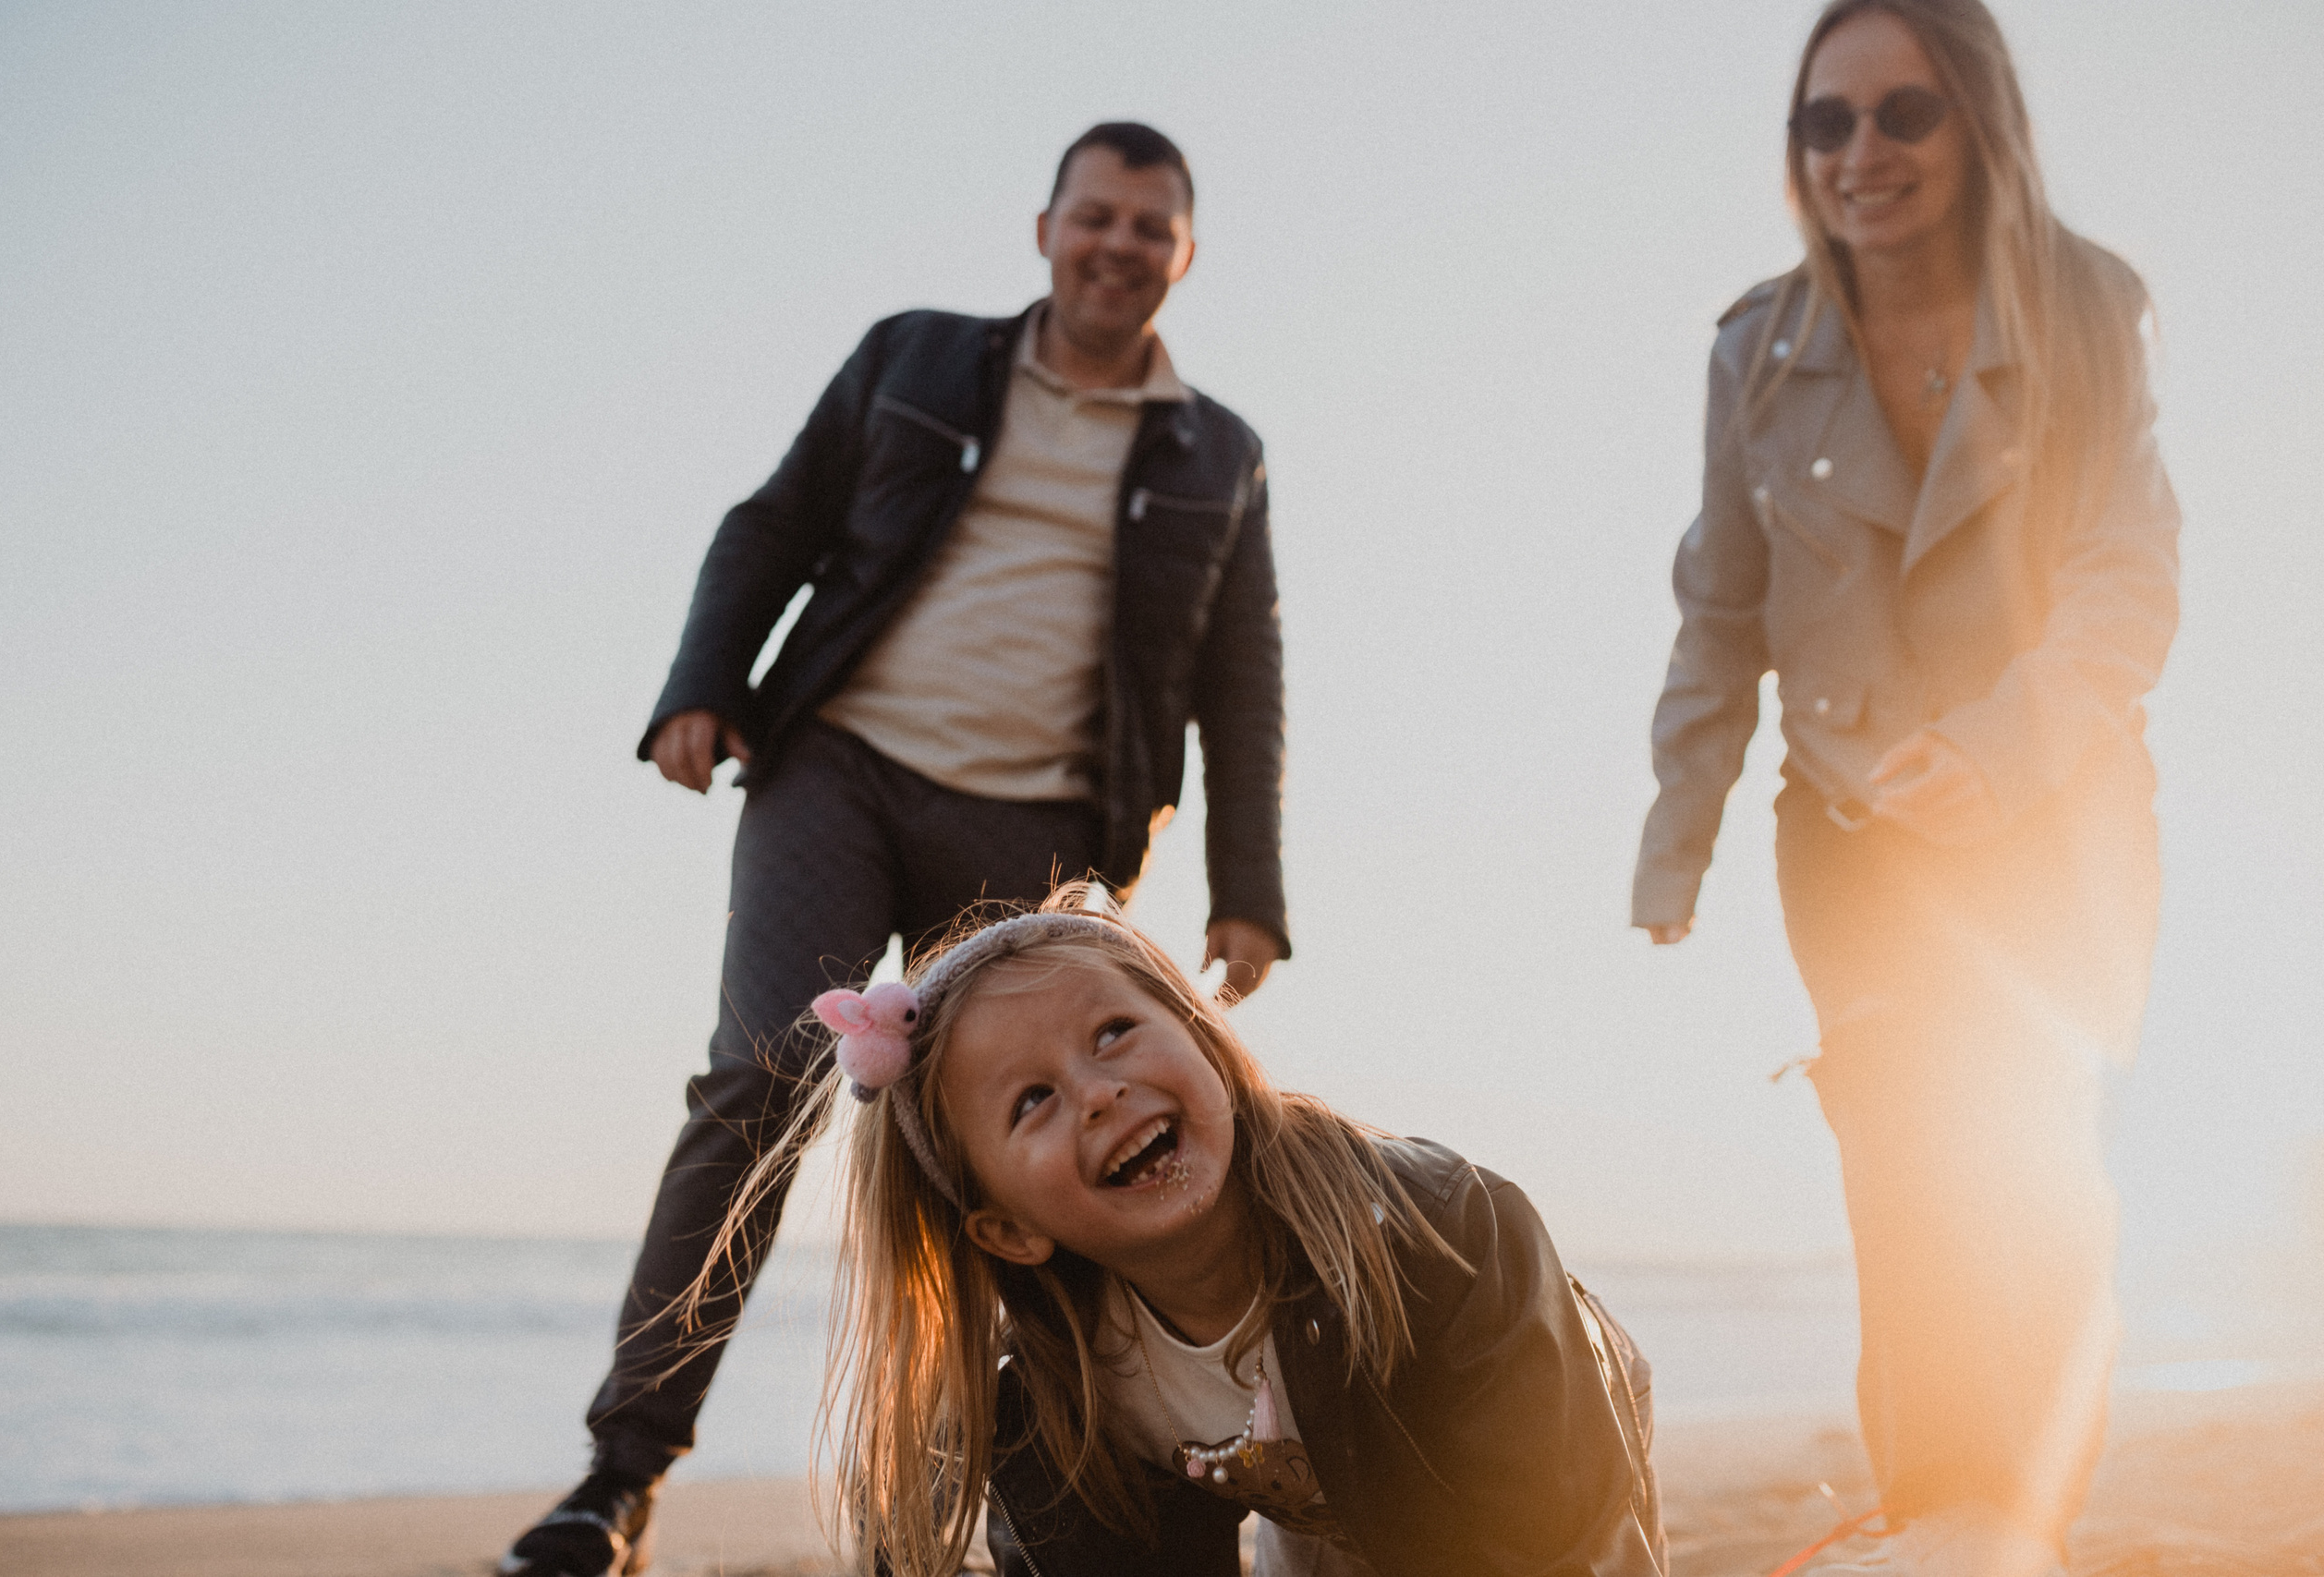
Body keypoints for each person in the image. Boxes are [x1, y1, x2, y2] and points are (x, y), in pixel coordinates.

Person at [502, 123, 1291, 1577]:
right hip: (841, 767)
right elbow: (775, 521)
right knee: (762, 1081)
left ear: (1185, 254)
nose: (1118, 246)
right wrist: (700, 681)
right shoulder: (915, 359)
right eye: (1095, 217)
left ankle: (1069, 1475)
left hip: (1043, 831)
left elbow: (1241, 680)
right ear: (1046, 227)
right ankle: (616, 1480)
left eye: (1151, 228)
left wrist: (1249, 892)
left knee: (1034, 1155)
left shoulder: (1216, 453)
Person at [1632, 3, 2178, 1572]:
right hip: (1854, 830)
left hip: (2060, 815)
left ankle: (2022, 1511)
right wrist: (1681, 839)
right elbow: (1720, 607)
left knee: (2041, 1181)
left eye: (1904, 114)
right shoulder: (1755, 346)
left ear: (1977, 122)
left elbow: (2127, 577)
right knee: (1906, 1170)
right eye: (1828, 121)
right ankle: (1943, 1520)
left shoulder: (2086, 309)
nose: (1862, 154)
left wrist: (1999, 746)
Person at [682, 893, 1665, 1577]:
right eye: (1032, 1100)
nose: (1099, 1090)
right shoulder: (1069, 1397)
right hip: (1315, 1504)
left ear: (1204, 1037)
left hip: (1534, 1437)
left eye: (1113, 1032)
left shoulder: (1445, 1232)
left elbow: (1544, 1531)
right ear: (1005, 1229)